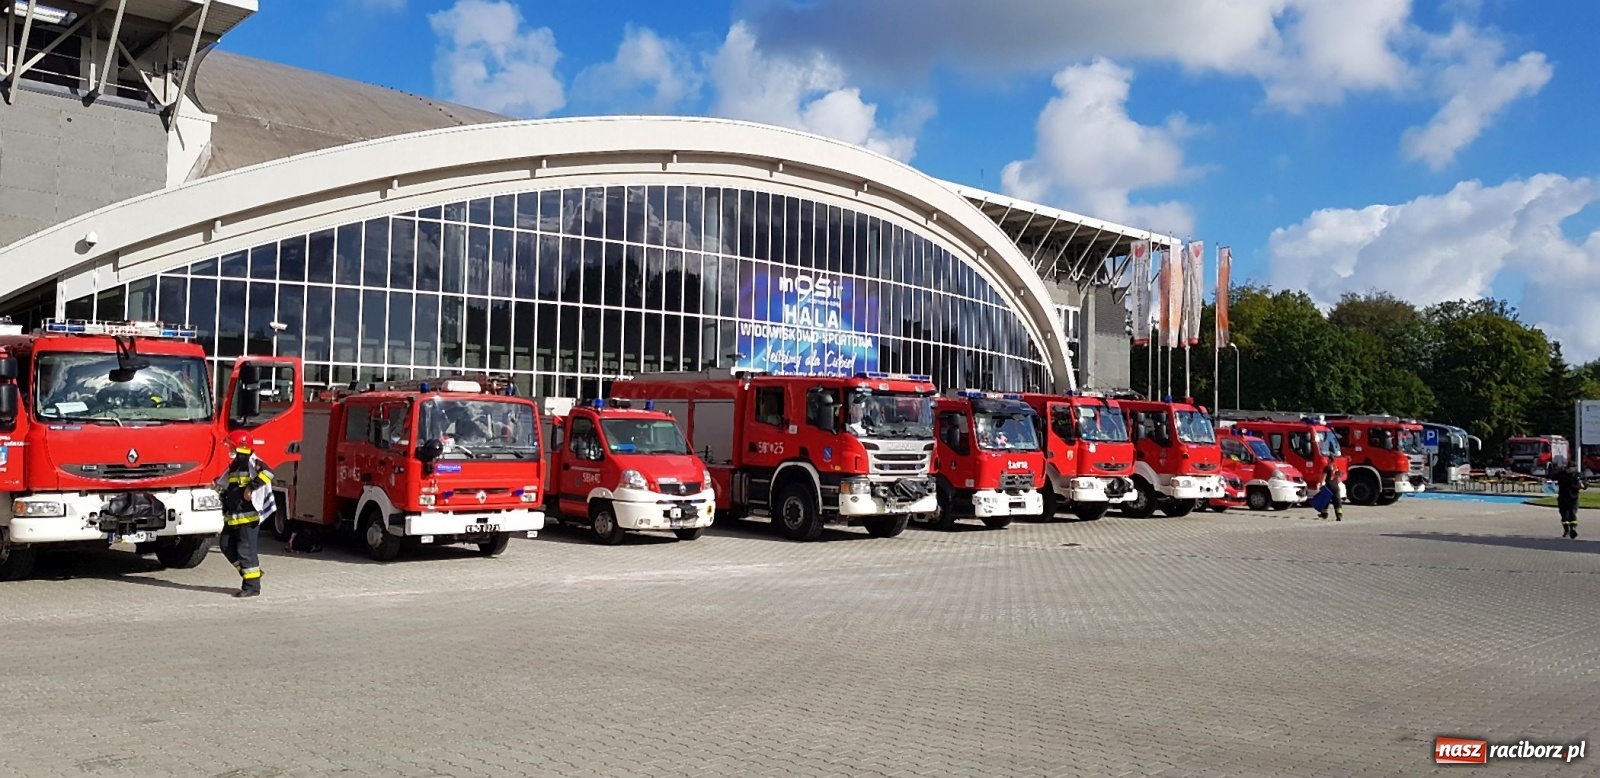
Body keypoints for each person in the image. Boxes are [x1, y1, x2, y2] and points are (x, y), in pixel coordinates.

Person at [216, 430, 274, 598]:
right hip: (233, 517)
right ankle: (252, 575)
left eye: (231, 444)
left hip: (248, 517)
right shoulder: (236, 464)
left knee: (245, 550)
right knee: (226, 545)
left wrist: (251, 487)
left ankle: (252, 587)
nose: (229, 447)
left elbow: (268, 473)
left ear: (240, 445)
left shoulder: (251, 461)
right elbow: (230, 486)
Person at [1553, 461, 1586, 539]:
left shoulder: (1578, 475)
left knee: (1573, 514)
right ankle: (1566, 530)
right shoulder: (1561, 475)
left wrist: (1583, 485)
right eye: (1569, 468)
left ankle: (1573, 529)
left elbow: (1585, 483)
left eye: (1573, 468)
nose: (1571, 470)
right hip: (1563, 497)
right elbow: (1552, 478)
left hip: (1573, 497)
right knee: (1564, 515)